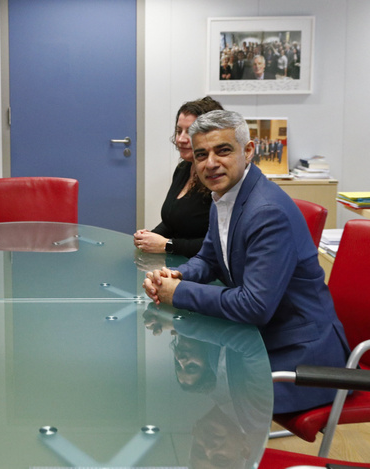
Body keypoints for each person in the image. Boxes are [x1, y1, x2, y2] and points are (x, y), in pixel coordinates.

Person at [142, 110, 349, 414]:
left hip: (300, 357)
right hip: (258, 341)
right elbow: (209, 258)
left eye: (222, 150)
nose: (210, 163)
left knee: (177, 399)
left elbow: (254, 306)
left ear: (248, 151)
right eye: (201, 154)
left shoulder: (266, 211)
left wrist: (178, 293)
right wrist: (178, 274)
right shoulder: (225, 195)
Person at [133, 96, 223, 258]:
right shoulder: (183, 168)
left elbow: (220, 245)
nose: (181, 139)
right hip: (177, 261)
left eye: (190, 132)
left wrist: (167, 245)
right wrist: (149, 237)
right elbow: (173, 221)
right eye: (178, 130)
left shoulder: (219, 180)